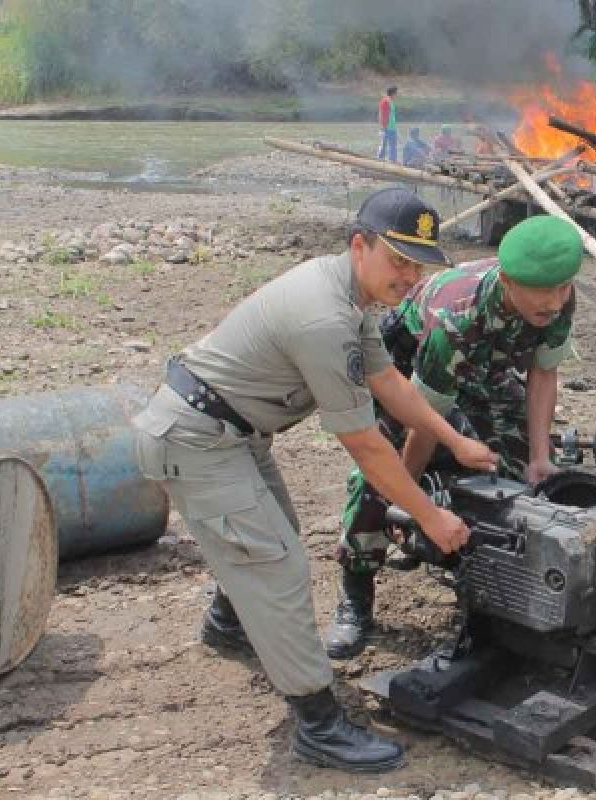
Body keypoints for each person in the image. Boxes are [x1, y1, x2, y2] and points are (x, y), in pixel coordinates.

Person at [130, 188, 499, 772]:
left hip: (231, 432)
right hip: (196, 438)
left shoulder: (354, 298)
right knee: (278, 567)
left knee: (275, 534)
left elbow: (388, 382)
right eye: (397, 259)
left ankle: (228, 623)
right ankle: (318, 725)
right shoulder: (325, 316)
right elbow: (365, 446)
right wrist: (430, 516)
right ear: (360, 246)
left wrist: (452, 441)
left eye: (418, 264)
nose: (409, 276)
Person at [326, 214, 583, 658]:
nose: (556, 302)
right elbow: (426, 417)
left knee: (522, 475)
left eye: (563, 288)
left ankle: (499, 589)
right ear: (507, 281)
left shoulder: (559, 297)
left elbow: (543, 371)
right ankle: (356, 591)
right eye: (544, 292)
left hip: (486, 367)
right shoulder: (454, 318)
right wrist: (406, 498)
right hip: (409, 368)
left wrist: (540, 457)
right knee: (379, 476)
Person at [376, 86, 399, 162]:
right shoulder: (385, 101)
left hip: (392, 127)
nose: (397, 95)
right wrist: (382, 126)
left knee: (393, 146)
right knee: (383, 145)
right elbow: (381, 114)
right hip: (386, 127)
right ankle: (379, 160)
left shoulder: (391, 101)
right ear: (393, 93)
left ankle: (393, 160)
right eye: (396, 93)